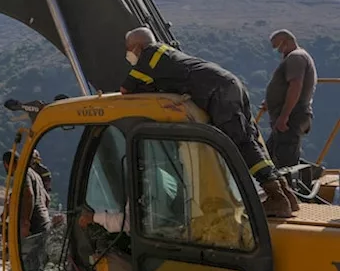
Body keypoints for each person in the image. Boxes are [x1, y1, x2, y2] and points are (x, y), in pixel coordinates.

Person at [120, 26, 297, 218]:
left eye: (128, 49)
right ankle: (285, 192)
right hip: (230, 84)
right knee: (250, 139)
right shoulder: (167, 53)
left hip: (218, 93)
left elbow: (126, 90)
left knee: (239, 143)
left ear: (137, 47)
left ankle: (277, 198)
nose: (128, 54)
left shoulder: (149, 56)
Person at [261, 29, 316, 170]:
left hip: (292, 117)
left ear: (285, 42)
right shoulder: (298, 57)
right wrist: (271, 101)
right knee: (268, 156)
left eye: (277, 47)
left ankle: (292, 189)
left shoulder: (295, 57)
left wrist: (284, 116)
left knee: (285, 164)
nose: (278, 52)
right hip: (292, 116)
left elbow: (296, 85)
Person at [3, 150, 52, 271]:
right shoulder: (35, 174)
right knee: (39, 265)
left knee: (30, 266)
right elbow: (47, 199)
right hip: (44, 224)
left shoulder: (22, 173)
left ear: (8, 164)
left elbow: (29, 195)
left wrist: (25, 222)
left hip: (34, 228)